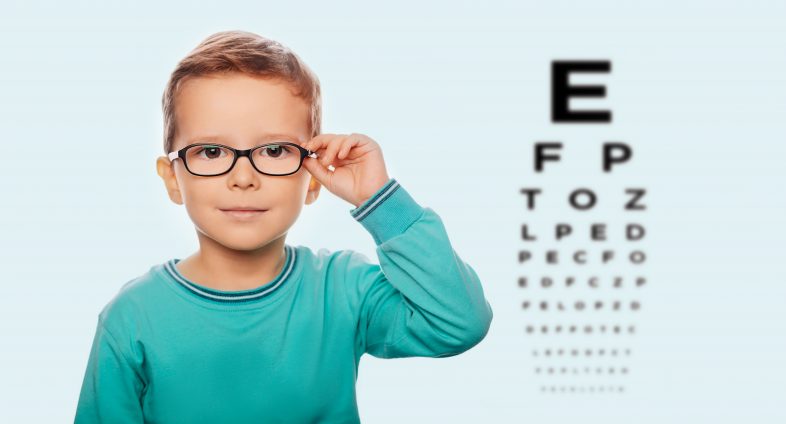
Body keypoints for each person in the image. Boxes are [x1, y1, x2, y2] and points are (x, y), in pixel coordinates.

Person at [74, 29, 493, 423]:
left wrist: (379, 200)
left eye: (274, 150)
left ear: (312, 177)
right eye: (212, 151)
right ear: (172, 178)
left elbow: (459, 323)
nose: (243, 178)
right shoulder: (132, 317)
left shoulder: (343, 289)